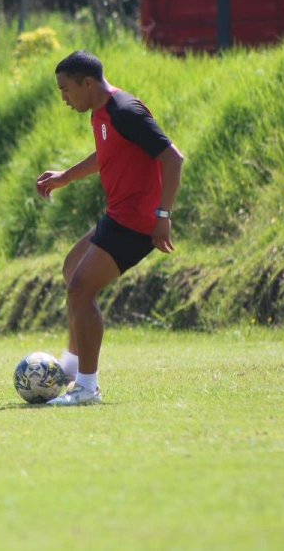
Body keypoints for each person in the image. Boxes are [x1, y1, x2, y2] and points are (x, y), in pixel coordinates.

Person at [35, 51, 185, 406]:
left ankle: (87, 388)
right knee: (72, 268)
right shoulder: (102, 113)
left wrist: (163, 215)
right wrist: (65, 177)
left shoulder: (124, 110)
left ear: (87, 83)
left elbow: (172, 158)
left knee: (81, 289)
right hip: (119, 215)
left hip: (137, 222)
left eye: (66, 89)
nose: (64, 98)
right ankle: (71, 369)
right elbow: (108, 155)